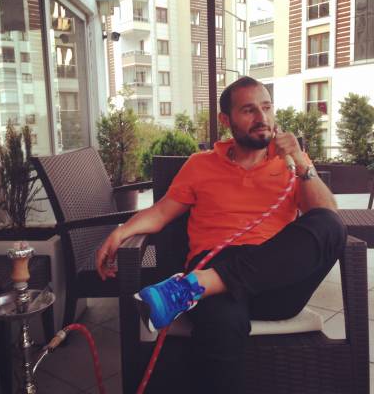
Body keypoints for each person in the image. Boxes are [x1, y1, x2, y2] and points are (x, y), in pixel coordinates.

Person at [96, 76, 346, 393]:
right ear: (226, 120)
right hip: (216, 268)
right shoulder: (200, 164)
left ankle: (195, 285)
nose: (262, 118)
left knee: (332, 225)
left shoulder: (291, 164)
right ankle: (203, 284)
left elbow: (325, 214)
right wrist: (122, 231)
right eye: (249, 110)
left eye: (267, 107)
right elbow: (161, 212)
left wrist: (300, 162)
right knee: (222, 323)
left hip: (275, 281)